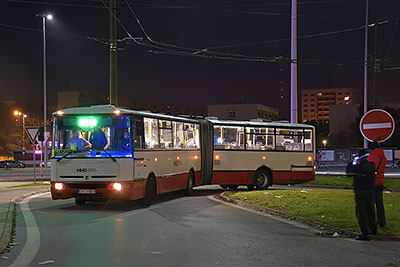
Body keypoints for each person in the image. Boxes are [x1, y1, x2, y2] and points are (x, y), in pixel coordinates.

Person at [346, 148, 377, 241]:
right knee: (370, 210)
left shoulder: (359, 167)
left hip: (360, 191)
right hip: (370, 191)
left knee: (361, 212)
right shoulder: (372, 165)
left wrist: (352, 162)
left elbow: (348, 172)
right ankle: (373, 229)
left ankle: (365, 233)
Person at [367, 141, 387, 228]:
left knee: (370, 203)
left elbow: (371, 166)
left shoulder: (374, 154)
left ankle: (372, 222)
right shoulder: (381, 154)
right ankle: (382, 221)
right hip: (380, 181)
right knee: (380, 203)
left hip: (373, 181)